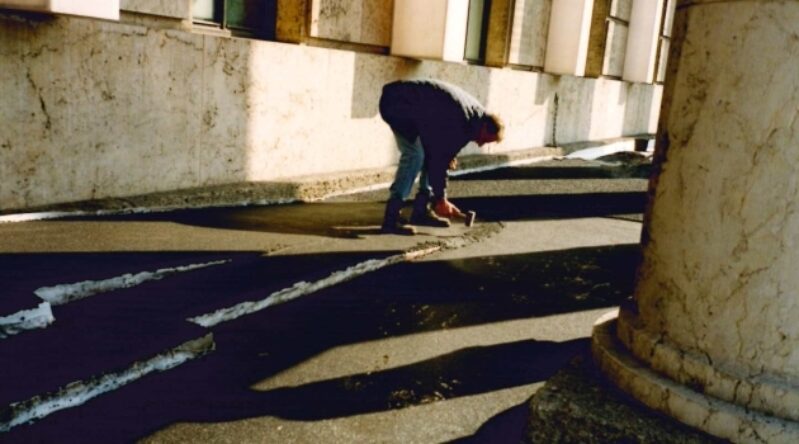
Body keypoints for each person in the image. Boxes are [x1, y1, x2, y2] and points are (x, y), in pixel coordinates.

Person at [378, 78, 504, 235]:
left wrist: (448, 156)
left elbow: (440, 154)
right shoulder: (464, 122)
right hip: (397, 102)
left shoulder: (475, 119)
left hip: (413, 108)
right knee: (415, 156)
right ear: (485, 128)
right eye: (485, 140)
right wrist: (441, 200)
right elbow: (440, 161)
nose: (480, 144)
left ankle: (421, 211)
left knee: (430, 154)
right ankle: (391, 219)